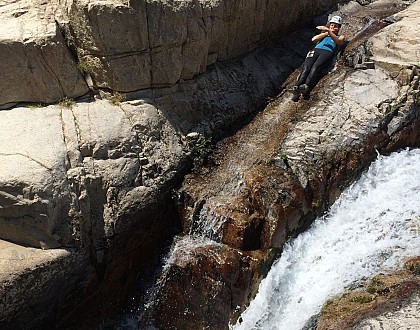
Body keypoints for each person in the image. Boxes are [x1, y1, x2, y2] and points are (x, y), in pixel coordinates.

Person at [292, 16, 347, 101]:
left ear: (339, 27)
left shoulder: (341, 36)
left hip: (327, 52)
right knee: (306, 68)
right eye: (332, 25)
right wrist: (325, 33)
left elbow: (338, 41)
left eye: (336, 25)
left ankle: (306, 86)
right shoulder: (324, 35)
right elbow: (313, 39)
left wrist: (329, 31)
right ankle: (297, 87)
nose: (333, 27)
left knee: (315, 67)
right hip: (315, 50)